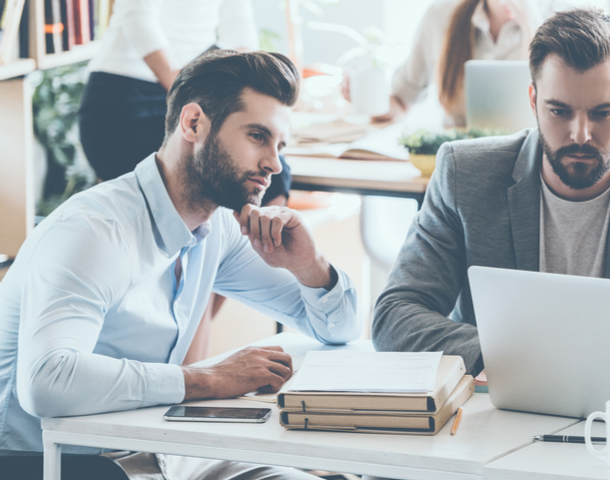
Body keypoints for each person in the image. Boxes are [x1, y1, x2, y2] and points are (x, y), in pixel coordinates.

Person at [0, 50, 361, 479]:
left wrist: (310, 266)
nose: (274, 164)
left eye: (278, 145)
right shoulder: (94, 230)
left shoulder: (218, 229)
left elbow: (339, 330)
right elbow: (47, 382)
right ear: (193, 124)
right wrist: (205, 379)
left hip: (165, 450)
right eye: (257, 136)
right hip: (67, 466)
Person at [371, 8, 610, 375]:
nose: (580, 134)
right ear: (533, 100)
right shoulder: (464, 177)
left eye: (603, 113)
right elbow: (394, 318)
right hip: (497, 412)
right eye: (559, 111)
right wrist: (518, 356)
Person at [78, 0, 294, 364]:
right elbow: (137, 18)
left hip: (193, 91)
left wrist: (255, 102)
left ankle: (180, 341)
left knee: (276, 179)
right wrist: (190, 95)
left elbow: (240, 29)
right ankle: (184, 364)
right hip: (126, 94)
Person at [358, 0, 575, 125]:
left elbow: (565, 111)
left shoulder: (566, 17)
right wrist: (365, 99)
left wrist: (530, 21)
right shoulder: (441, 16)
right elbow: (401, 101)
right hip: (457, 166)